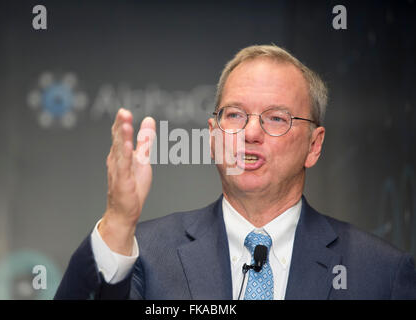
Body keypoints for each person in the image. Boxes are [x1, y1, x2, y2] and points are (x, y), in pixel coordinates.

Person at [54, 45, 416, 300]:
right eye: (235, 115)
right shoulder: (146, 255)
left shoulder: (380, 273)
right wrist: (118, 222)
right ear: (213, 138)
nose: (251, 133)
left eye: (276, 118)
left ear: (314, 145)